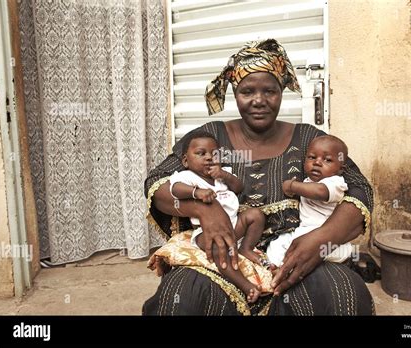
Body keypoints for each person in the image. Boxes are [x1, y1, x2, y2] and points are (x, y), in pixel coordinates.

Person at [143, 38, 374, 315]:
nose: (259, 101)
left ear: (281, 92)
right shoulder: (209, 138)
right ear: (234, 93)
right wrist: (204, 210)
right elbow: (157, 182)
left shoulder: (311, 140)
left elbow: (360, 189)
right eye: (247, 91)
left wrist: (321, 240)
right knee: (182, 298)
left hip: (297, 255)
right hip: (222, 258)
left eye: (270, 91)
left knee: (344, 298)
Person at [167, 130, 266, 303]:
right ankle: (245, 285)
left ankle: (246, 248)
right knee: (215, 249)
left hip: (235, 226)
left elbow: (239, 187)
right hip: (209, 233)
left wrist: (225, 175)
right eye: (201, 153)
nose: (208, 158)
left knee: (255, 215)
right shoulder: (187, 177)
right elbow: (175, 190)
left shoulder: (222, 175)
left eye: (214, 154)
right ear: (185, 160)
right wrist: (196, 192)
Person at [267, 135, 352, 267]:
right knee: (278, 244)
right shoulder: (307, 181)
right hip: (304, 231)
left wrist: (292, 186)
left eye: (327, 160)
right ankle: (273, 267)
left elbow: (320, 192)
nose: (317, 162)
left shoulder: (336, 183)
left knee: (302, 251)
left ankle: (291, 266)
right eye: (312, 157)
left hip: (329, 240)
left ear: (341, 169)